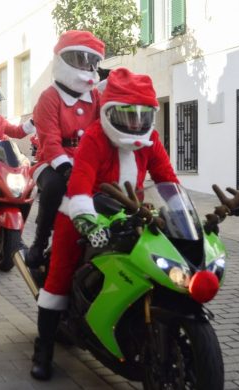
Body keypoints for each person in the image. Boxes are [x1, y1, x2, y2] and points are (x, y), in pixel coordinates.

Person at [30, 68, 180, 381]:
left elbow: (167, 179)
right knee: (59, 274)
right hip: (82, 212)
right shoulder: (96, 136)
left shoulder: (150, 139)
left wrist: (181, 213)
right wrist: (87, 221)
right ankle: (43, 349)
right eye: (126, 115)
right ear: (108, 112)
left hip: (131, 212)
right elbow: (80, 184)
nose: (134, 123)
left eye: (142, 115)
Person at [25, 30, 106, 268]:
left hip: (87, 160)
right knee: (54, 186)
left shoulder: (95, 96)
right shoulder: (49, 97)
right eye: (80, 59)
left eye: (91, 61)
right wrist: (65, 167)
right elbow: (49, 139)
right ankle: (40, 242)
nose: (86, 66)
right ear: (63, 59)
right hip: (52, 162)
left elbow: (104, 128)